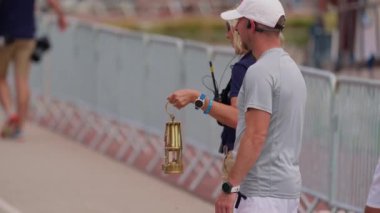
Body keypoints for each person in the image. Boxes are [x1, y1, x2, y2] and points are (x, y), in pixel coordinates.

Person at [215, 0, 307, 213]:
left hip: (260, 193)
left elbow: (256, 135)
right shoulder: (293, 70)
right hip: (288, 191)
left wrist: (230, 187)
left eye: (240, 22)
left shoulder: (259, 71)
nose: (236, 27)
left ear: (252, 25)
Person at [167, 13, 255, 180]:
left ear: (240, 29)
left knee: (229, 206)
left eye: (229, 28)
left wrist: (196, 98)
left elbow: (237, 118)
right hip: (260, 158)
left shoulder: (242, 68)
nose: (227, 34)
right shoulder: (269, 63)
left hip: (240, 155)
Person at [0, 0, 67, 139]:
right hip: (27, 35)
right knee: (22, 81)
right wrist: (61, 15)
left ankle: (11, 114)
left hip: (5, 35)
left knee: (1, 78)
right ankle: (19, 128)